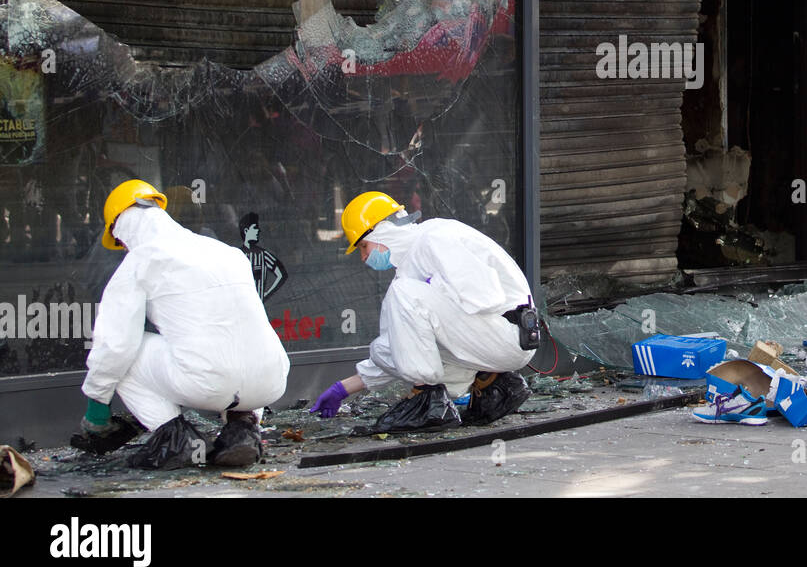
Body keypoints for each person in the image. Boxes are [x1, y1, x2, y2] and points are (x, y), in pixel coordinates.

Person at [76, 180, 291, 468]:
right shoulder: (225, 251)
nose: (123, 248)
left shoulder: (141, 259)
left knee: (126, 352)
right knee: (238, 339)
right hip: (271, 380)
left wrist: (97, 406)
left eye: (119, 242)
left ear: (120, 228)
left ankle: (175, 439)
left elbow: (114, 344)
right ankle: (242, 431)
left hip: (208, 383)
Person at [310, 191, 536, 432]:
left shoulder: (435, 239)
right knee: (384, 346)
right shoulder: (411, 265)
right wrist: (343, 389)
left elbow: (486, 298)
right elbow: (400, 348)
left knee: (405, 295)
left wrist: (435, 292)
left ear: (382, 230)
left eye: (364, 246)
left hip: (509, 334)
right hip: (496, 338)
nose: (364, 257)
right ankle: (494, 385)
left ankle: (427, 402)